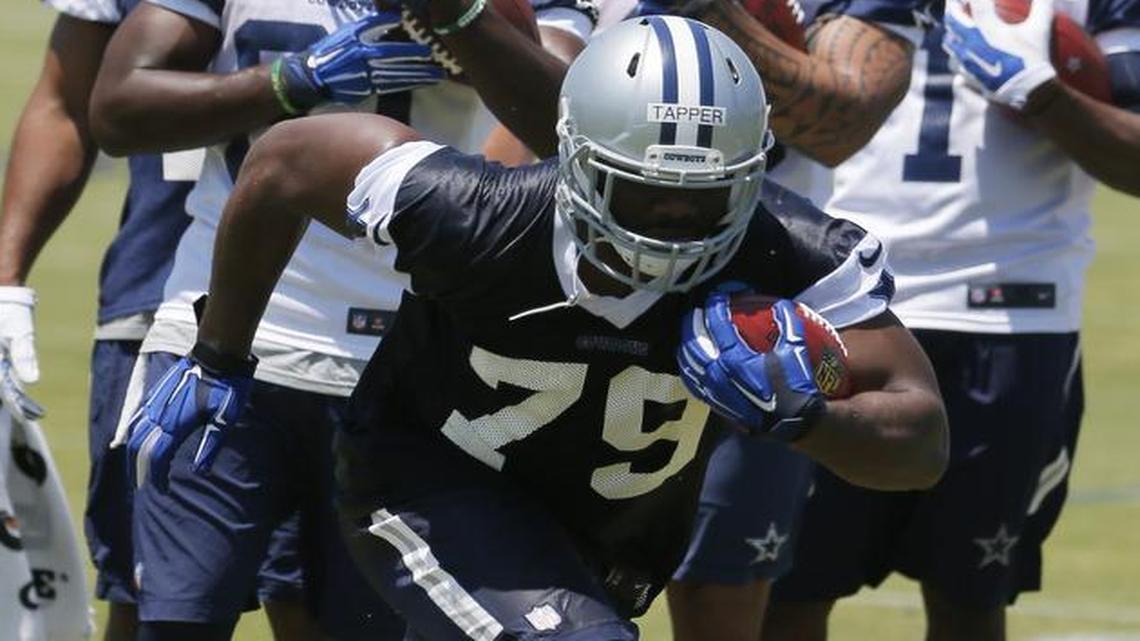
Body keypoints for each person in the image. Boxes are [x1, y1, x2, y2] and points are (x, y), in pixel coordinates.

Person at [126, 15, 949, 640]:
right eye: (643, 190)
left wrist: (807, 415)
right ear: (579, 161)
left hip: (606, 535)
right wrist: (219, 357)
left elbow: (921, 438)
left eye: (701, 197)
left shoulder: (793, 249)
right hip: (426, 487)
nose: (672, 220)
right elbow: (285, 163)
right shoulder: (480, 215)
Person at [88, 0, 595, 639]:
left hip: (398, 362)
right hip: (221, 337)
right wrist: (286, 82)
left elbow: (573, 129)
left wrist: (467, 24)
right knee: (172, 622)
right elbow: (117, 109)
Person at [764, 0, 1140, 638]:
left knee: (971, 599)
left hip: (1015, 310)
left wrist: (1041, 92)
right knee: (785, 593)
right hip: (839, 297)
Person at [589, 2, 920, 638]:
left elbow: (841, 125)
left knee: (724, 601)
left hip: (753, 305)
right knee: (540, 591)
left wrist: (714, 15)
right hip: (584, 288)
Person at [0, 2, 322, 639]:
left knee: (321, 603)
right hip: (163, 298)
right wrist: (7, 280)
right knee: (156, 602)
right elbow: (67, 99)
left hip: (356, 306)